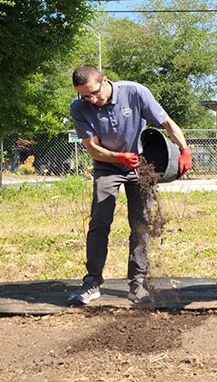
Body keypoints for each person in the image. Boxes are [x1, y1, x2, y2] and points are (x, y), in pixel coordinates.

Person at [68, 64, 192, 305]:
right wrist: (119, 157)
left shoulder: (135, 93)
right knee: (99, 221)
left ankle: (137, 284)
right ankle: (92, 283)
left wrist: (184, 150)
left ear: (105, 81)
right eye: (85, 96)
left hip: (139, 166)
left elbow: (166, 122)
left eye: (95, 93)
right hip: (107, 165)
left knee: (141, 222)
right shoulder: (79, 107)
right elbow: (93, 149)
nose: (92, 99)